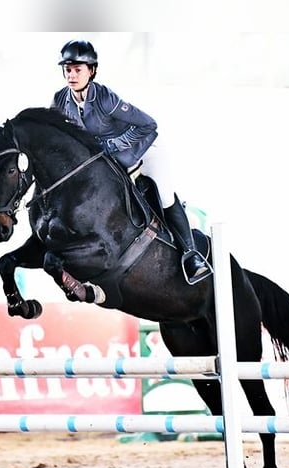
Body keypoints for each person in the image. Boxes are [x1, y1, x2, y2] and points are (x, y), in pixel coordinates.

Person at [50, 39, 211, 285]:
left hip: (143, 150)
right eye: (68, 70)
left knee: (165, 196)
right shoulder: (61, 100)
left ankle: (192, 255)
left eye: (77, 70)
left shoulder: (105, 98)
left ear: (91, 71)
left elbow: (148, 124)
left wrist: (114, 145)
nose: (71, 75)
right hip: (108, 161)